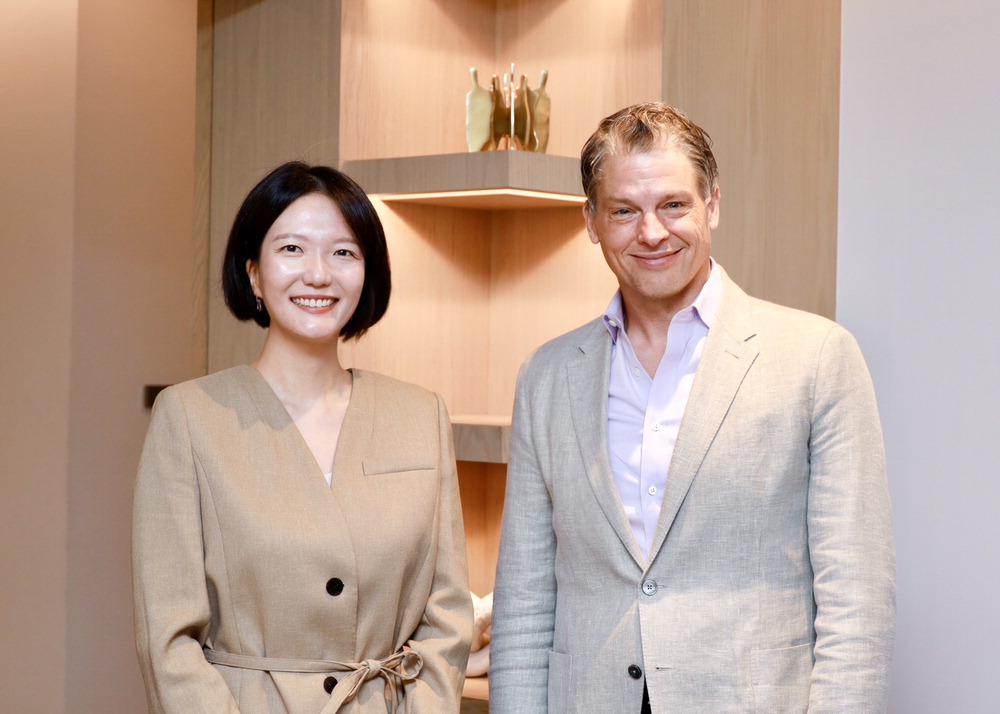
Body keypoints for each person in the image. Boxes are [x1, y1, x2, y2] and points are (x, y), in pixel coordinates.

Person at [489, 103, 895, 713]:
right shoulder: (546, 377)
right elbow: (524, 603)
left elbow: (856, 602)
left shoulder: (816, 359)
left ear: (713, 205)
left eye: (674, 205)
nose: (652, 232)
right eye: (624, 210)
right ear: (591, 222)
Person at [132, 162, 473, 713]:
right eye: (292, 249)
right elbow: (168, 640)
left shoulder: (420, 415)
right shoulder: (190, 418)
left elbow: (447, 617)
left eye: (344, 252)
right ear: (253, 274)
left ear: (368, 273)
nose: (319, 275)